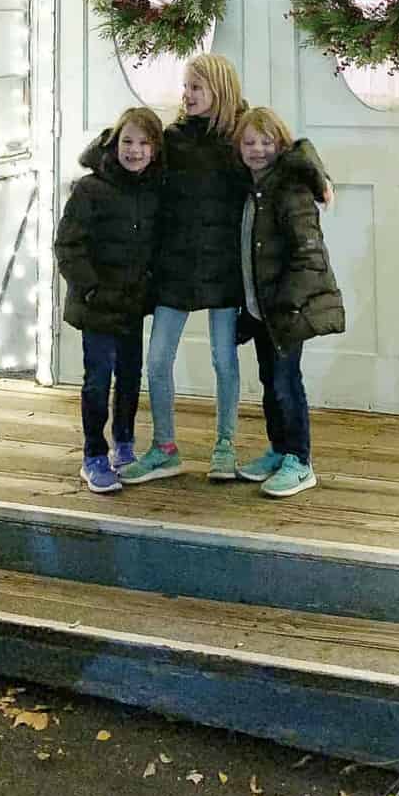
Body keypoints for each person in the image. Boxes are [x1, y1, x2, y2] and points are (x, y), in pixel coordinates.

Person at [118, 54, 249, 484]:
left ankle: (225, 444)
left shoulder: (241, 135)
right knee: (158, 360)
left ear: (219, 89)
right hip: (176, 266)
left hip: (224, 267)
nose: (187, 95)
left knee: (223, 359)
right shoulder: (171, 138)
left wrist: (316, 176)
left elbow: (286, 154)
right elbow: (124, 152)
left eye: (196, 87)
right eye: (186, 87)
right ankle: (165, 447)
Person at [232, 106, 345, 498]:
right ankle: (279, 449)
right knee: (269, 382)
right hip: (260, 309)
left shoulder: (290, 190)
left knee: (285, 383)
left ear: (280, 144)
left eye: (266, 142)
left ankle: (300, 459)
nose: (257, 149)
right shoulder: (251, 188)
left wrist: (289, 301)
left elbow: (309, 253)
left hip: (284, 308)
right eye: (249, 142)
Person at [54, 106, 163, 494]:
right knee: (98, 380)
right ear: (114, 143)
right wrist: (92, 288)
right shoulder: (90, 189)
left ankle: (125, 444)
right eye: (127, 141)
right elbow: (67, 245)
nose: (134, 150)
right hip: (98, 305)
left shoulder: (154, 190)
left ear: (155, 149)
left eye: (144, 143)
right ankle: (94, 454)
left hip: (132, 306)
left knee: (130, 378)